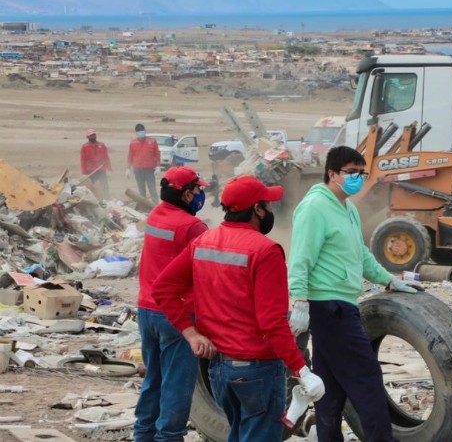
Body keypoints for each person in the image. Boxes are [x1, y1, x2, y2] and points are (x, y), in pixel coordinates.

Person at [153, 175, 325, 442]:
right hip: (257, 372)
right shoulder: (266, 251)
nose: (270, 210)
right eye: (267, 205)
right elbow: (272, 323)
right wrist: (301, 370)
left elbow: (161, 288)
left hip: (219, 372)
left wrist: (192, 335)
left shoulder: (204, 242)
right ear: (257, 209)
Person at [288, 145, 423, 442]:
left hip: (343, 303)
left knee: (331, 385)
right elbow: (300, 258)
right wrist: (298, 300)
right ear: (332, 174)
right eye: (351, 173)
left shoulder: (346, 208)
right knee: (367, 379)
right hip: (329, 306)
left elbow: (358, 253)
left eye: (361, 173)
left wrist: (388, 280)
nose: (357, 179)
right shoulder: (314, 208)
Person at [133, 167, 209, 442]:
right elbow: (208, 273)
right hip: (177, 316)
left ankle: (142, 435)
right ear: (187, 194)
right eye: (198, 190)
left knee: (153, 380)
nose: (201, 195)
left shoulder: (156, 214)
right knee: (177, 385)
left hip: (147, 311)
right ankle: (169, 438)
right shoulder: (193, 227)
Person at [128, 123, 160, 204]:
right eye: (138, 131)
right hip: (138, 170)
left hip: (149, 169)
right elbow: (130, 157)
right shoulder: (133, 143)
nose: (140, 133)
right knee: (141, 190)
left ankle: (156, 206)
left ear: (145, 131)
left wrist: (158, 166)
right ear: (136, 133)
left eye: (142, 131)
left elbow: (157, 154)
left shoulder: (152, 141)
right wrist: (128, 169)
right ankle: (143, 206)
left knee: (152, 189)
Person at [80, 129, 112, 200]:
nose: (93, 137)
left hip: (101, 170)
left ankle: (108, 200)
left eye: (94, 135)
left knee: (105, 186)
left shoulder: (102, 145)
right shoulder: (84, 147)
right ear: (87, 137)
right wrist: (84, 173)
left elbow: (106, 158)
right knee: (92, 188)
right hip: (91, 172)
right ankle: (96, 201)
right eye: (91, 136)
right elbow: (83, 161)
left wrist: (109, 170)